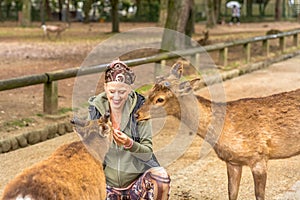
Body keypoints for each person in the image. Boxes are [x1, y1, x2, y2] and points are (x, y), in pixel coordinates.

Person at [87, 59, 171, 200]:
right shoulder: (96, 109)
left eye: (122, 91)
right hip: (105, 186)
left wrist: (129, 144)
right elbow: (88, 151)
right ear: (105, 87)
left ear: (130, 89)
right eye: (112, 91)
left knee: (160, 177)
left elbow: (147, 152)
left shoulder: (141, 108)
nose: (117, 97)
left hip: (135, 184)